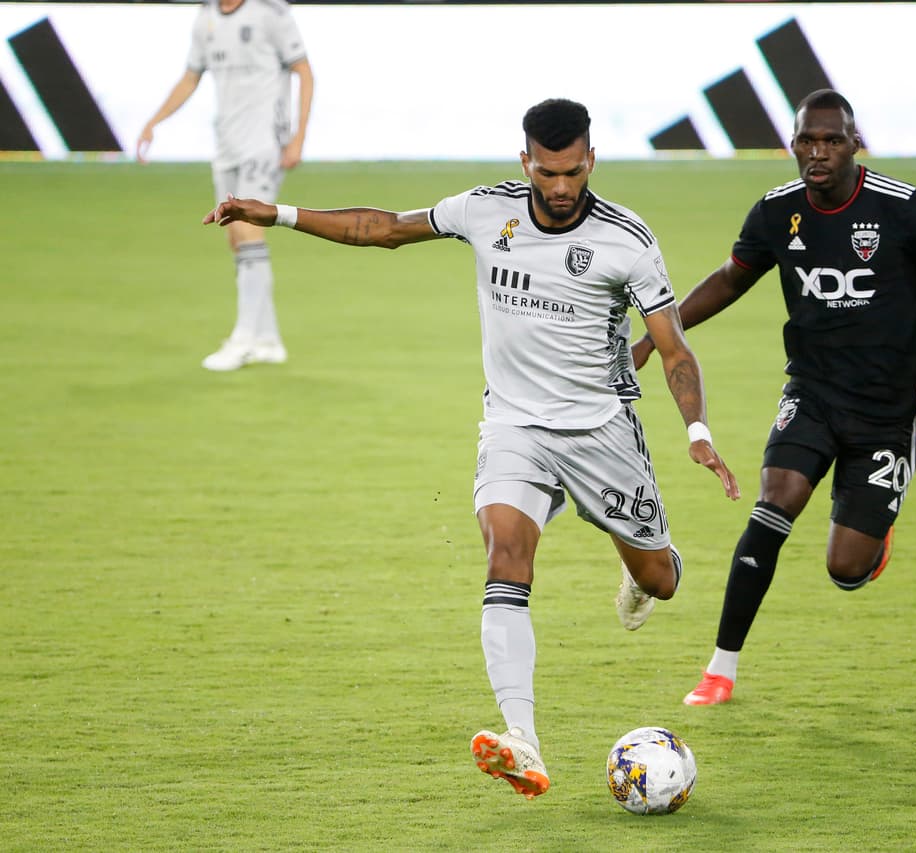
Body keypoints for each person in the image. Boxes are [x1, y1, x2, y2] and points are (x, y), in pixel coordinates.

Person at [204, 98, 739, 797]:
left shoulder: (626, 239)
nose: (559, 187)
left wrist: (697, 432)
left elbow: (673, 348)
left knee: (661, 579)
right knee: (506, 553)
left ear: (590, 161)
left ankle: (641, 570)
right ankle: (523, 735)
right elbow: (385, 229)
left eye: (572, 171)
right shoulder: (486, 211)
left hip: (601, 432)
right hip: (514, 426)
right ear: (526, 162)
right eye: (546, 172)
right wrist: (279, 214)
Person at [632, 89, 916, 706]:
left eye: (831, 140)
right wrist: (653, 338)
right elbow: (729, 279)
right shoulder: (777, 213)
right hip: (814, 392)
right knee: (776, 502)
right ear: (792, 144)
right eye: (806, 141)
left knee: (845, 570)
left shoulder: (903, 209)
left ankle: (872, 540)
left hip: (890, 407)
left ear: (856, 144)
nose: (817, 153)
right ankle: (720, 669)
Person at [139, 0, 315, 371]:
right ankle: (268, 339)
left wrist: (298, 137)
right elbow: (191, 76)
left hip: (264, 141)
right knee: (234, 237)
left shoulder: (270, 12)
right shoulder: (205, 17)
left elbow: (305, 72)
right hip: (227, 145)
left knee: (246, 229)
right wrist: (154, 121)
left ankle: (244, 339)